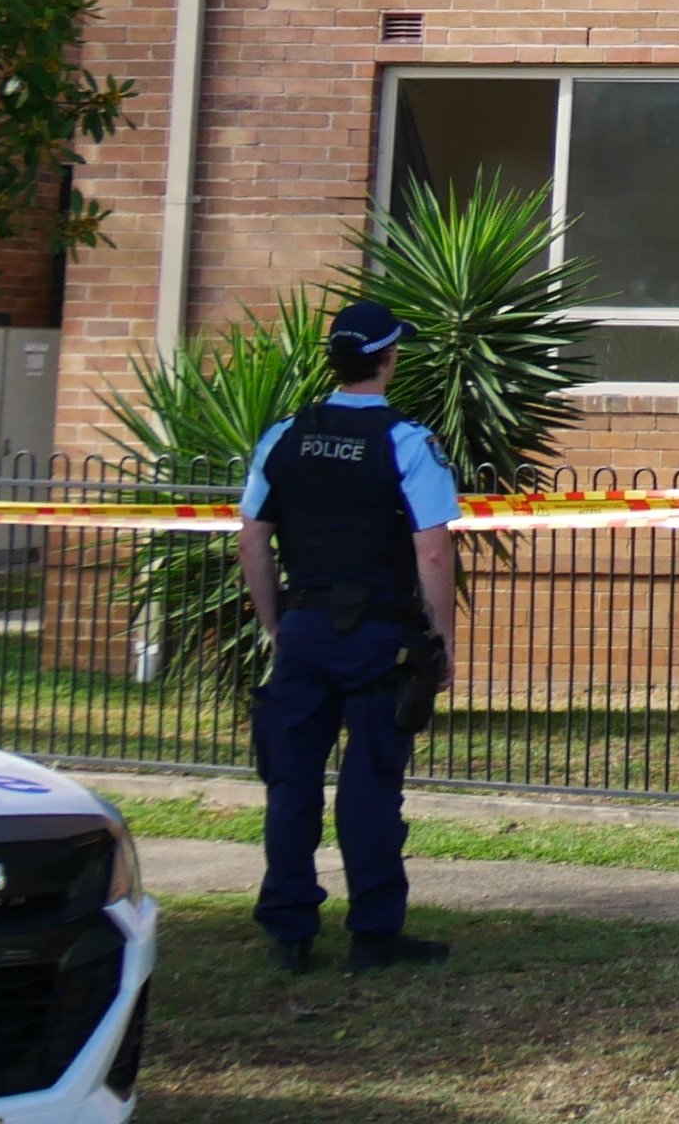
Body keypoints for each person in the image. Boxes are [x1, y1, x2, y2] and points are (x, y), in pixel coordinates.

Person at [235, 299, 461, 974]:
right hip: (377, 636)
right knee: (369, 788)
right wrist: (443, 641)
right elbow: (433, 553)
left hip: (303, 628)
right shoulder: (406, 442)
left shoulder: (284, 435)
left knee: (291, 784)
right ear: (389, 359)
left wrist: (276, 621)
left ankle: (289, 934)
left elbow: (253, 536)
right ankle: (373, 935)